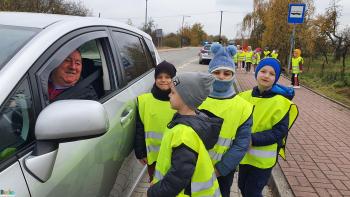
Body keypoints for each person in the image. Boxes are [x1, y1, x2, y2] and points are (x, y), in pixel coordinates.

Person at [147, 72, 223, 197]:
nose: (169, 95)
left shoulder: (184, 134)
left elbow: (178, 177)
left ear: (185, 97)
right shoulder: (195, 119)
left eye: (173, 92)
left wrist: (154, 192)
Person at [238, 58, 299, 197]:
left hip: (262, 161)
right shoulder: (243, 96)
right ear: (256, 73)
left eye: (272, 74)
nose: (266, 75)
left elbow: (279, 132)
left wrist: (252, 139)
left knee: (252, 192)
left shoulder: (281, 103)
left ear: (276, 78)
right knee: (242, 186)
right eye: (263, 71)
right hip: (243, 156)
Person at [199, 43, 253, 197]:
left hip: (223, 171)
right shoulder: (198, 98)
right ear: (210, 73)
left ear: (233, 75)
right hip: (195, 165)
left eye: (227, 73)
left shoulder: (243, 107)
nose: (221, 76)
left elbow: (241, 144)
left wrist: (220, 169)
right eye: (217, 72)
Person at [134, 60, 177, 182]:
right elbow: (139, 128)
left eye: (168, 77)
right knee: (156, 185)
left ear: (174, 79)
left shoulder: (180, 99)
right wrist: (141, 152)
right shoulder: (144, 101)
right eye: (159, 77)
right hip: (154, 158)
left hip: (176, 156)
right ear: (155, 79)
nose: (163, 80)